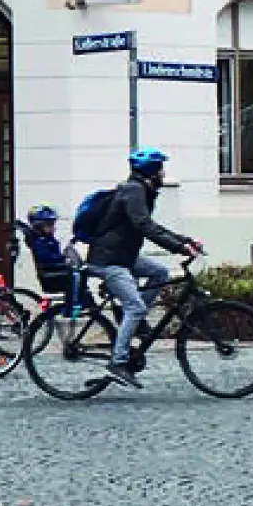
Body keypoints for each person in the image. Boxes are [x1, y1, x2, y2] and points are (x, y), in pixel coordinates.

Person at [85, 147, 203, 389]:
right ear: (151, 170)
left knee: (159, 273)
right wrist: (178, 248)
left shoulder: (141, 190)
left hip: (123, 255)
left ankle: (135, 323)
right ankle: (118, 363)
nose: (163, 173)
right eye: (160, 169)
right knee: (135, 306)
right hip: (108, 260)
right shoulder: (134, 191)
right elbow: (144, 226)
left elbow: (151, 225)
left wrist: (185, 240)